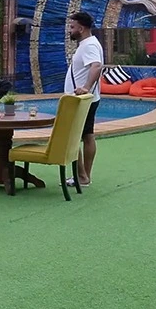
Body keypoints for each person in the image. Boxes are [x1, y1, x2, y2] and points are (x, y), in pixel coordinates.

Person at [64, 12, 103, 187]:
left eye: (72, 27)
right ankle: (84, 176)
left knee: (73, 137)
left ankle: (82, 176)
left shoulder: (89, 45)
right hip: (85, 99)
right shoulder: (88, 44)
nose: (70, 30)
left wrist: (86, 87)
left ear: (81, 28)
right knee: (87, 135)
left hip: (81, 100)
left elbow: (97, 66)